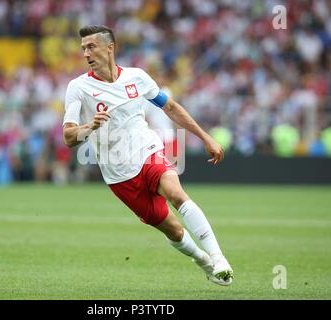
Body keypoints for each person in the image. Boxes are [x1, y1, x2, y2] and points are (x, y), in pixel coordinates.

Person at [63, 25, 233, 286]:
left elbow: (171, 107)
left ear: (110, 48)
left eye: (91, 46)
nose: (86, 52)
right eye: (83, 48)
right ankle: (203, 261)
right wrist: (89, 127)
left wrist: (205, 137)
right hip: (118, 174)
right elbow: (69, 137)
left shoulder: (137, 78)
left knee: (176, 194)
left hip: (147, 150)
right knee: (174, 230)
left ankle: (219, 257)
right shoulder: (78, 88)